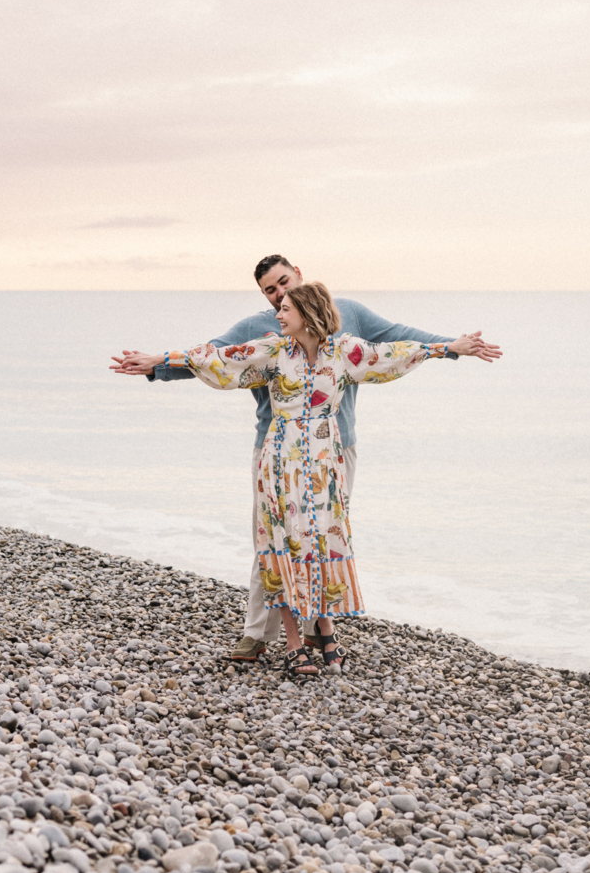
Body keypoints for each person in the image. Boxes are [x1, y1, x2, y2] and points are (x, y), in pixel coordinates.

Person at [110, 255, 501, 664]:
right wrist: (159, 364)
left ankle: (321, 632)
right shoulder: (269, 341)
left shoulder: (346, 333)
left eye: (284, 288)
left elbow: (394, 346)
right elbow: (217, 357)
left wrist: (451, 348)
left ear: (300, 275)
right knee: (276, 543)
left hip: (331, 455)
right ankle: (263, 636)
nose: (279, 301)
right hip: (276, 456)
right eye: (271, 294)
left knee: (323, 542)